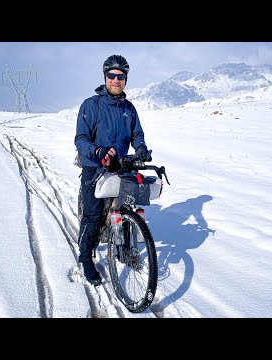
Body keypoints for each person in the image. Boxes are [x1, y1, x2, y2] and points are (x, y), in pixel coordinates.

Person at [74, 54, 151, 286]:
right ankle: (86, 257)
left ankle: (125, 250)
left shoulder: (129, 108)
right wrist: (97, 151)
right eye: (112, 75)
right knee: (93, 215)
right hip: (94, 164)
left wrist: (141, 149)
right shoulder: (91, 105)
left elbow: (137, 134)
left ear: (126, 80)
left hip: (119, 164)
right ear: (105, 77)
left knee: (127, 207)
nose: (116, 80)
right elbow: (80, 138)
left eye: (121, 76)